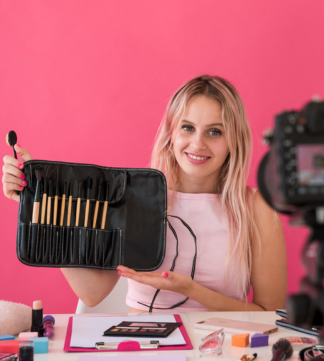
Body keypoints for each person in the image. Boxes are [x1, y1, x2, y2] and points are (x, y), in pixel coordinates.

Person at [3, 75, 287, 312]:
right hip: (144, 348)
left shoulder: (256, 206)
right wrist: (37, 201)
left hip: (227, 352)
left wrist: (192, 291)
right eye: (187, 128)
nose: (197, 143)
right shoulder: (137, 196)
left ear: (234, 141)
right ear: (171, 134)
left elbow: (270, 313)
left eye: (215, 132)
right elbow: (93, 294)